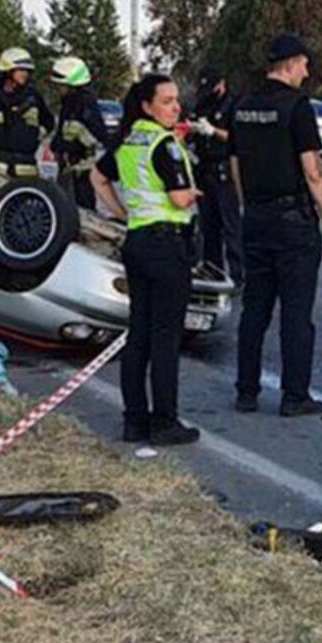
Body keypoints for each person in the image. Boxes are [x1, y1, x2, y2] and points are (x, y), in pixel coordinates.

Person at [229, 34, 322, 417]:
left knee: (255, 308)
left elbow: (236, 163)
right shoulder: (297, 107)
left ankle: (246, 391)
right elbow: (312, 169)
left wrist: (247, 206)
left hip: (256, 217)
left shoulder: (243, 106)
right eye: (304, 64)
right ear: (291, 63)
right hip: (292, 220)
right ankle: (295, 396)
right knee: (296, 311)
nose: (307, 72)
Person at [91, 74, 203, 446]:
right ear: (147, 106)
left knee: (138, 333)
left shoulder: (128, 139)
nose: (176, 107)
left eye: (176, 100)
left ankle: (134, 420)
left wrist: (122, 213)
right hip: (167, 245)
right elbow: (178, 199)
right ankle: (164, 421)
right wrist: (193, 192)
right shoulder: (163, 143)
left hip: (138, 240)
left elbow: (98, 177)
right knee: (166, 337)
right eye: (167, 101)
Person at [188, 68, 243, 281]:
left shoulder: (233, 105)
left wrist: (213, 131)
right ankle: (213, 270)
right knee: (208, 226)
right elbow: (192, 125)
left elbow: (238, 138)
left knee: (231, 226)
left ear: (221, 84)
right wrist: (191, 131)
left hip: (224, 170)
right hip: (203, 169)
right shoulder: (203, 103)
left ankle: (238, 274)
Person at [0, 47, 54, 178]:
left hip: (27, 171)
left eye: (28, 71)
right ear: (8, 70)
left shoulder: (33, 97)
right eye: (21, 70)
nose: (25, 74)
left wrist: (34, 137)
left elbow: (49, 123)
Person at [50, 56, 105, 210]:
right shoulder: (69, 103)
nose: (58, 89)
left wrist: (69, 148)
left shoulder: (85, 105)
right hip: (68, 170)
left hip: (82, 171)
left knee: (82, 210)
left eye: (61, 85)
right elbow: (63, 130)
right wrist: (57, 146)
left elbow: (97, 136)